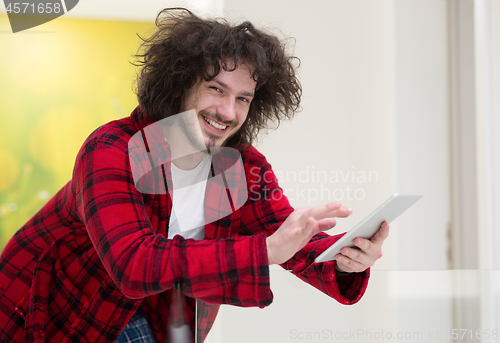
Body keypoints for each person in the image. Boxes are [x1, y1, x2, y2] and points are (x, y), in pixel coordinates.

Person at [0, 8, 389, 343]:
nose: (228, 111)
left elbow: (283, 233)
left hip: (153, 315)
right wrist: (265, 251)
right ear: (180, 82)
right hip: (49, 314)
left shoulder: (243, 166)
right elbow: (134, 261)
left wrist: (343, 257)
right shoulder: (111, 149)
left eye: (242, 98)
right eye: (216, 89)